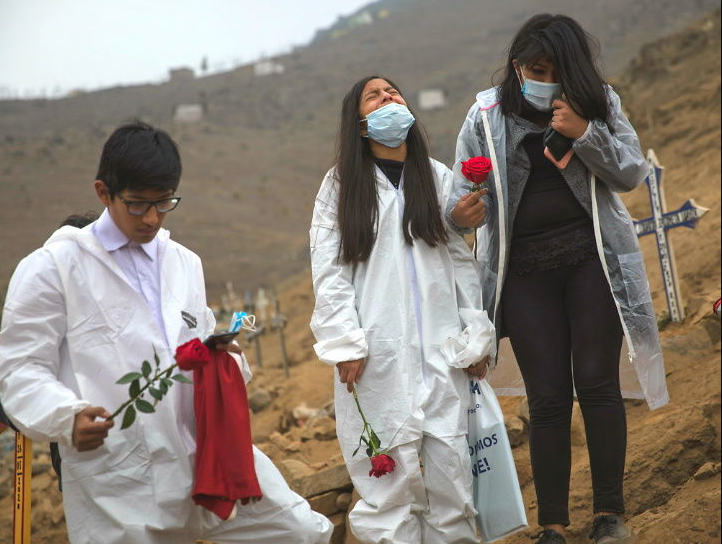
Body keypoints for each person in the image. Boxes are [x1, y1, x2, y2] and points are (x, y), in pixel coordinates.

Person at [0, 121, 333, 544]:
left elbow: (203, 341)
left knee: (298, 531)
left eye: (164, 203)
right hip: (120, 475)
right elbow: (20, 371)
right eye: (137, 205)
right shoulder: (53, 269)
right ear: (104, 193)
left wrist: (224, 358)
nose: (152, 218)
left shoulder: (183, 262)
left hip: (205, 451)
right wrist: (66, 417)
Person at [448, 14, 669, 544]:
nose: (538, 77)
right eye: (530, 67)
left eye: (549, 69)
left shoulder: (599, 102)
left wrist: (585, 134)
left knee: (597, 385)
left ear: (571, 68)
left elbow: (631, 173)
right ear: (516, 65)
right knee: (547, 397)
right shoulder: (484, 116)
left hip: (592, 262)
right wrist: (462, 215)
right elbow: (460, 190)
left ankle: (609, 516)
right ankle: (552, 526)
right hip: (523, 272)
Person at [310, 76, 497, 543]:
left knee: (450, 475)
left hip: (440, 349)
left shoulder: (434, 176)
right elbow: (328, 269)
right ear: (359, 124)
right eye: (374, 96)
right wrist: (345, 341)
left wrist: (475, 332)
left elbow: (459, 261)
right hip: (375, 355)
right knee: (385, 485)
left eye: (393, 92)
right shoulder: (340, 187)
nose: (388, 98)